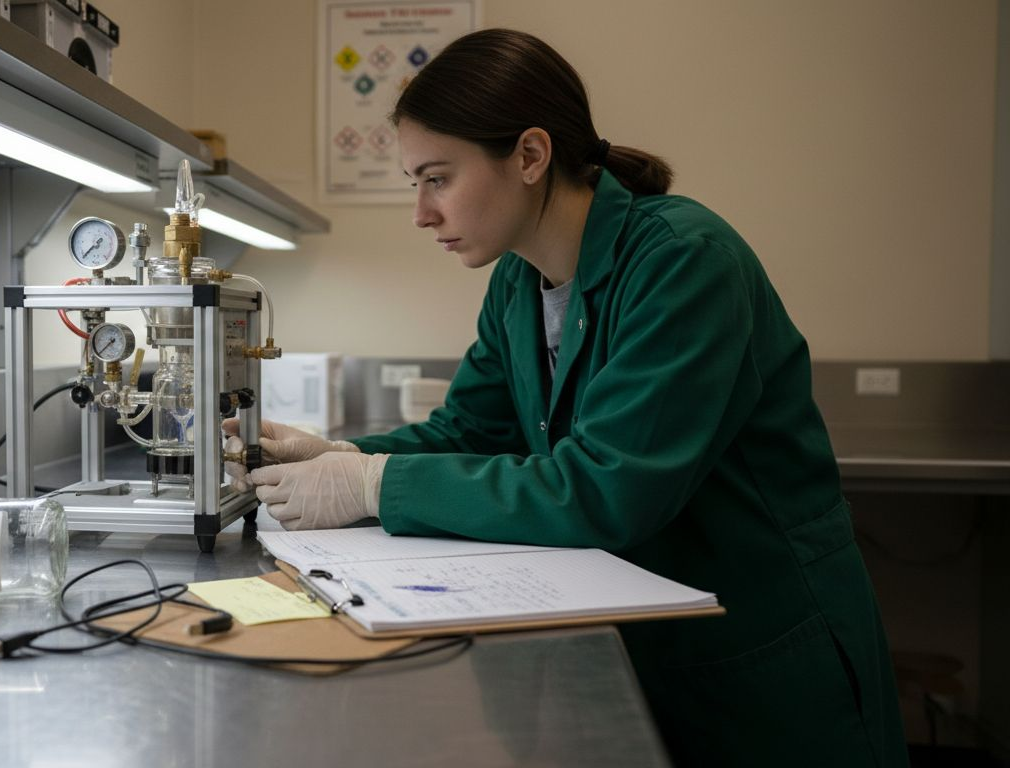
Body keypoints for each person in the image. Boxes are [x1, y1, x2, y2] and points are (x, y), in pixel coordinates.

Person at [225, 28, 906, 767]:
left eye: (437, 178)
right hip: (647, 638)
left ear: (529, 155)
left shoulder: (683, 261)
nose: (421, 213)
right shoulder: (517, 281)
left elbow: (608, 488)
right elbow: (472, 432)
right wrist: (343, 453)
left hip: (759, 649)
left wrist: (367, 483)